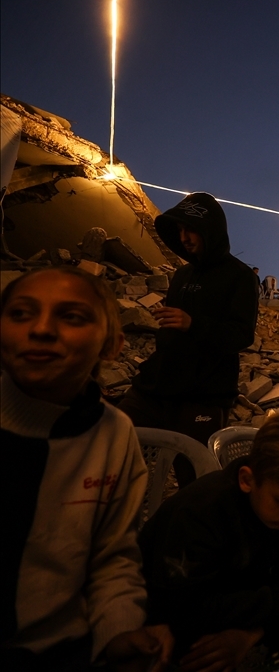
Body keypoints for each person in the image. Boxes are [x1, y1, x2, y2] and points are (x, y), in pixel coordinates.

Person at [1, 267, 174, 672]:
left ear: (113, 345)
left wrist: (120, 630)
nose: (41, 329)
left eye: (72, 317)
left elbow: (112, 559)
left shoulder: (113, 435)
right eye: (21, 314)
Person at [140, 414, 279, 668]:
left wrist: (251, 633)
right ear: (247, 480)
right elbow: (184, 608)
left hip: (245, 615)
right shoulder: (200, 513)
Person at [118, 192, 259, 450]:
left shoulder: (240, 277)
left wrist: (193, 324)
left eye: (191, 230)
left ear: (210, 230)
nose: (184, 238)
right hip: (156, 390)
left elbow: (241, 335)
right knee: (116, 446)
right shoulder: (182, 275)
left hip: (203, 397)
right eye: (180, 230)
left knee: (195, 472)